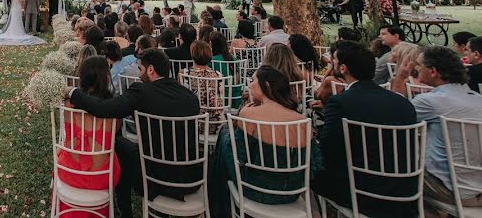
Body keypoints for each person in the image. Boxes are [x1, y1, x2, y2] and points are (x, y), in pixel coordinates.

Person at [66, 48, 201, 218]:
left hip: (156, 180)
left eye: (140, 69)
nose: (138, 75)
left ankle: (125, 211)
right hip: (192, 179)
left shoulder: (142, 91)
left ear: (150, 69)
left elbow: (103, 109)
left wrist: (73, 92)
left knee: (121, 146)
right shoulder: (190, 96)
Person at [312, 41, 418, 217]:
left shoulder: (340, 102)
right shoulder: (403, 103)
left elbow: (328, 149)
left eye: (335, 61)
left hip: (362, 192)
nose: (333, 63)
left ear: (344, 68)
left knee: (309, 166)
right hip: (405, 192)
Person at [391, 45, 482, 209]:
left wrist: (400, 77)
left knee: (394, 165)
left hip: (456, 192)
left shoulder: (429, 102)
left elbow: (393, 118)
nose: (416, 68)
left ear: (433, 71)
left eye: (419, 65)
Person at [210, 66, 315, 217]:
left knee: (226, 133)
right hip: (292, 191)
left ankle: (218, 204)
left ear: (266, 86)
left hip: (255, 188)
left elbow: (240, 156)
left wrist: (242, 112)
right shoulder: (303, 121)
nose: (249, 85)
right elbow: (312, 165)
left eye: (253, 81)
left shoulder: (248, 113)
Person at [56, 56, 121, 217]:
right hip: (100, 177)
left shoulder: (68, 104)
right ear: (106, 77)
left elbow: (66, 93)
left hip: (69, 172)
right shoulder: (112, 109)